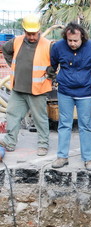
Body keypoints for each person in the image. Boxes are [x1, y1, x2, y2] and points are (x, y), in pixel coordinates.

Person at [50, 22, 91, 171]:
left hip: (85, 94)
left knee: (85, 126)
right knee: (64, 124)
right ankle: (62, 157)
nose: (72, 44)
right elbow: (53, 64)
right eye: (70, 41)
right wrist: (55, 79)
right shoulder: (57, 47)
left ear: (82, 37)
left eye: (76, 40)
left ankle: (88, 159)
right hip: (65, 92)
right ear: (66, 38)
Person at [0, 14, 52, 156]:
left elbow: (55, 63)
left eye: (34, 34)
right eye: (29, 34)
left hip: (38, 89)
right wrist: (13, 66)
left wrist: (51, 73)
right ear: (24, 31)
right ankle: (10, 142)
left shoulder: (47, 45)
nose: (32, 37)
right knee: (12, 115)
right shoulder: (16, 41)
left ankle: (43, 144)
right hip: (18, 88)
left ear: (39, 31)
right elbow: (5, 49)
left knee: (39, 118)